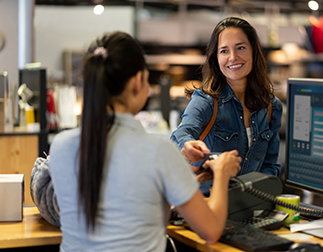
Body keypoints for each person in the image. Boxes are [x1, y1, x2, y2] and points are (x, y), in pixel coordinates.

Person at [45, 31, 241, 251]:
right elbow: (211, 230)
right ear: (137, 81)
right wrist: (222, 174)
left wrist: (179, 187)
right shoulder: (159, 151)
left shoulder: (60, 146)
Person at [170, 17, 282, 197]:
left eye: (241, 48)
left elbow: (270, 166)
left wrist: (256, 196)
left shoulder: (271, 107)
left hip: (251, 207)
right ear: (216, 57)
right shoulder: (206, 100)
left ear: (254, 51)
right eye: (224, 51)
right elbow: (182, 133)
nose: (232, 57)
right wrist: (187, 145)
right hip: (208, 206)